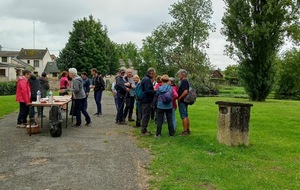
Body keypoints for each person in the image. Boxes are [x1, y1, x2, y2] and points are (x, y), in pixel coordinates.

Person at [140, 67, 156, 135]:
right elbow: (147, 90)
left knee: (146, 114)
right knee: (146, 115)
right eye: (154, 74)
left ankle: (144, 129)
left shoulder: (145, 79)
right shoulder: (147, 80)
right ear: (151, 73)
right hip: (146, 100)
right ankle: (144, 130)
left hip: (146, 99)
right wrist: (155, 91)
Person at [177, 69, 190, 136]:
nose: (178, 76)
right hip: (185, 101)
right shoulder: (185, 81)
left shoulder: (184, 81)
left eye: (179, 74)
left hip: (182, 101)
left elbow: (185, 91)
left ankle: (185, 131)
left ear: (183, 74)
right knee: (186, 115)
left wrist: (179, 98)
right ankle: (187, 129)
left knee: (183, 116)